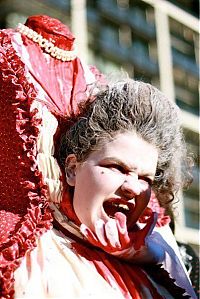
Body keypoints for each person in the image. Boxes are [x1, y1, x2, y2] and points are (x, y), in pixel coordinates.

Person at [0, 16, 197, 299]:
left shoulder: (171, 262)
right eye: (116, 167)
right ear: (71, 168)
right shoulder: (28, 264)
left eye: (145, 178)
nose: (133, 187)